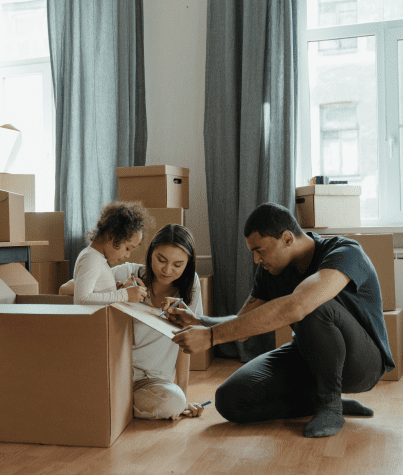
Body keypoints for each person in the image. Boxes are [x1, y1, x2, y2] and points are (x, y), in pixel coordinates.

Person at [164, 202, 394, 438]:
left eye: (260, 250)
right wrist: (199, 321)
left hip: (362, 365)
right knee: (230, 400)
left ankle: (330, 406)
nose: (255, 260)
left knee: (312, 305)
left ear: (286, 238)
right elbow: (243, 325)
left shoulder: (345, 252)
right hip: (309, 356)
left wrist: (211, 337)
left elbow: (299, 305)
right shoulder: (269, 271)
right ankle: (319, 401)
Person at [61, 212, 205, 420]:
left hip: (154, 383)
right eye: (161, 259)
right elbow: (66, 289)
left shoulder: (191, 286)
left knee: (173, 402)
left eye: (177, 265)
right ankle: (114, 404)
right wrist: (119, 290)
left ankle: (112, 406)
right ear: (150, 254)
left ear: (188, 265)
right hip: (117, 374)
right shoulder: (128, 273)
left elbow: (186, 344)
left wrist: (183, 396)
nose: (166, 270)